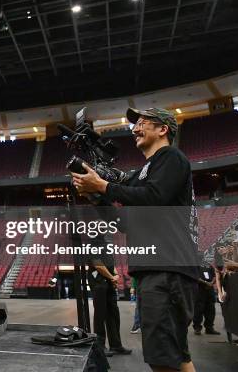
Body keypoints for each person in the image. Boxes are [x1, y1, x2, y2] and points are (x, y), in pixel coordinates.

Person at [71, 107, 199, 372]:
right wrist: (97, 198)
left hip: (168, 268)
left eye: (142, 122)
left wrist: (104, 186)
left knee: (166, 358)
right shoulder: (145, 171)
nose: (134, 128)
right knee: (170, 357)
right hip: (156, 269)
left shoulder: (170, 157)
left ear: (162, 129)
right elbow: (125, 223)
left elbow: (155, 197)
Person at [88, 235, 132, 357]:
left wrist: (115, 275)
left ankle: (116, 345)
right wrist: (112, 277)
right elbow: (98, 265)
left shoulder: (106, 246)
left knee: (113, 314)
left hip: (109, 284)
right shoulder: (91, 247)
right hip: (98, 284)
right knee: (100, 315)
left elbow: (112, 265)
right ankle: (100, 346)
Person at [193, 258, 220, 335]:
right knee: (198, 310)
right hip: (200, 289)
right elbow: (194, 276)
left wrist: (211, 283)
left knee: (211, 310)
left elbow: (214, 275)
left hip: (210, 290)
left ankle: (209, 328)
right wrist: (205, 283)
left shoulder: (209, 265)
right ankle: (197, 328)